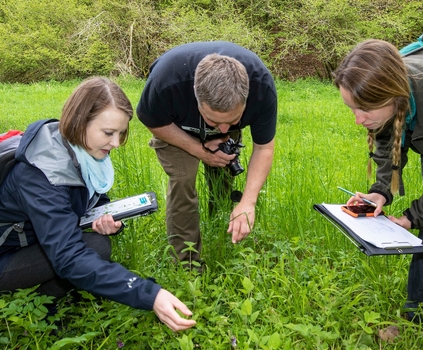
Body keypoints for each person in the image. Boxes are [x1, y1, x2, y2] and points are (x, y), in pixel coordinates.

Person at [0, 77, 196, 331]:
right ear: (80, 121)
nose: (116, 143)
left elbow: (87, 199)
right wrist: (150, 294)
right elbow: (69, 257)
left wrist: (104, 219)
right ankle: (37, 311)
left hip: (28, 237)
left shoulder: (82, 151)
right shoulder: (40, 175)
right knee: (87, 252)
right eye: (108, 133)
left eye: (121, 133)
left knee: (97, 244)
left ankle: (47, 300)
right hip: (5, 252)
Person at [333, 39, 423, 322]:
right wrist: (381, 192)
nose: (357, 120)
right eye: (352, 108)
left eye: (364, 110)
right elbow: (390, 137)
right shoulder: (391, 88)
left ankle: (417, 316)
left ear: (394, 97)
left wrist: (414, 217)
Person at [136, 41, 277, 266]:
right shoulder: (167, 82)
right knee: (183, 179)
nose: (222, 130)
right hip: (177, 129)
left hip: (212, 110)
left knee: (223, 168)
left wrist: (248, 203)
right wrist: (199, 151)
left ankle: (222, 225)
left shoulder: (262, 88)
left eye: (232, 121)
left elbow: (264, 147)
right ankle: (186, 263)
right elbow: (153, 122)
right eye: (212, 120)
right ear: (196, 100)